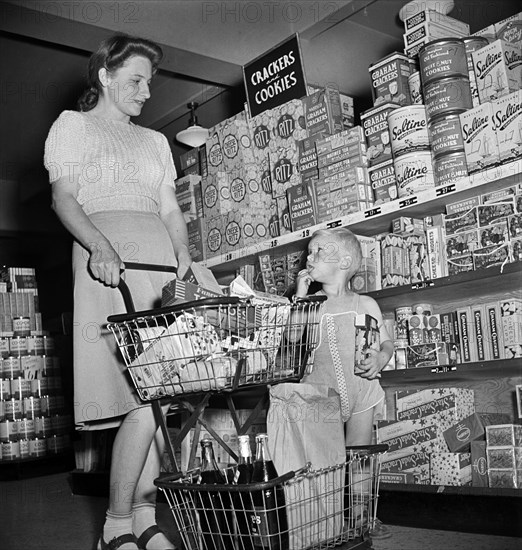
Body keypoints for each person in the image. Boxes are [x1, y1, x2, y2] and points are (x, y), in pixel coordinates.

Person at [44, 34, 191, 550]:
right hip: (110, 263)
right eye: (136, 79)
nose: (146, 91)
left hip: (159, 265)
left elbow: (171, 208)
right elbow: (64, 199)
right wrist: (99, 247)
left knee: (166, 399)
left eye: (149, 82)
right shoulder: (73, 127)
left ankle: (144, 521)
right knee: (140, 397)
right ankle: (115, 525)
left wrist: (187, 258)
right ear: (105, 76)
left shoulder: (154, 142)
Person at [294, 227, 393, 540]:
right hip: (321, 396)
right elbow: (293, 336)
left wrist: (380, 358)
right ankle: (329, 523)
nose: (309, 258)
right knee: (326, 463)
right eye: (308, 252)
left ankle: (362, 517)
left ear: (345, 261)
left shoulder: (365, 304)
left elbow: (386, 344)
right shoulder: (310, 305)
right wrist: (299, 294)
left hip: (361, 391)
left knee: (360, 457)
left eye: (318, 251)